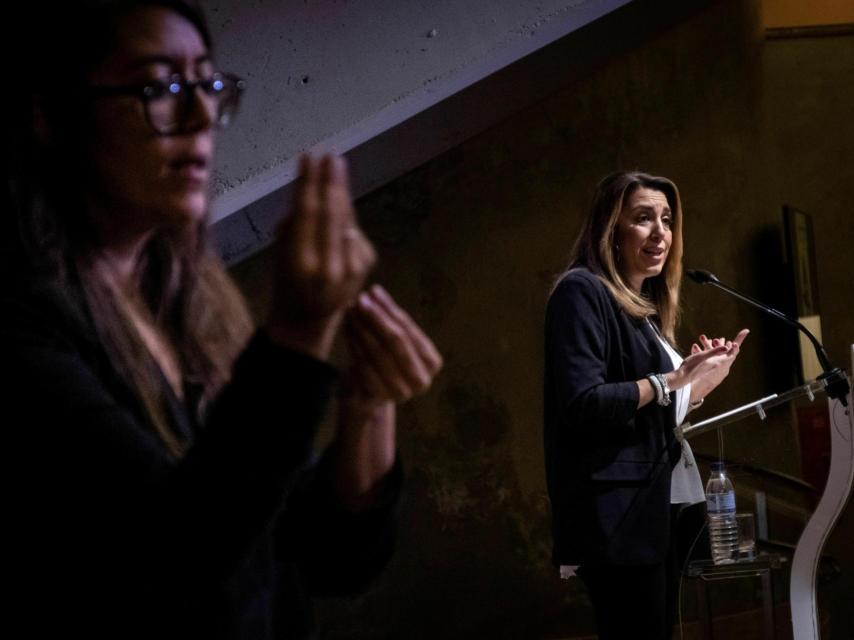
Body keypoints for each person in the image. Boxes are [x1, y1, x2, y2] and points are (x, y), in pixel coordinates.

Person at [3, 2, 441, 638]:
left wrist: (367, 404)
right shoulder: (21, 321)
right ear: (51, 115)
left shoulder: (184, 301)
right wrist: (297, 334)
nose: (201, 116)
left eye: (207, 85)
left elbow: (323, 559)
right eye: (158, 87)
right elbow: (175, 562)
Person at [543, 172, 748, 639]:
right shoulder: (582, 292)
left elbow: (653, 410)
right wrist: (672, 378)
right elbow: (582, 403)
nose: (660, 232)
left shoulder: (642, 310)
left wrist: (704, 381)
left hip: (656, 508)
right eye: (643, 219)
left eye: (667, 219)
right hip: (618, 517)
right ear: (610, 230)